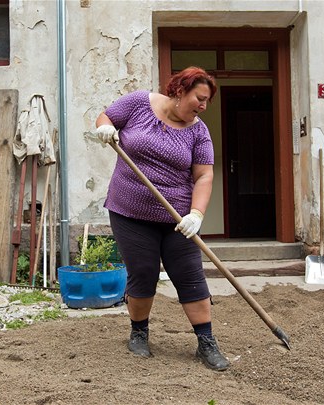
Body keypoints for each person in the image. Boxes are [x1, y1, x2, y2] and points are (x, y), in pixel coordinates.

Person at [95, 66, 230, 371]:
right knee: (143, 273)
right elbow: (106, 117)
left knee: (190, 274)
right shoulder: (139, 103)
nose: (203, 106)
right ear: (180, 90)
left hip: (176, 218)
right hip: (129, 212)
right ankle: (139, 333)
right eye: (200, 97)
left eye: (207, 101)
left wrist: (196, 214)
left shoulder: (199, 131)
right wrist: (105, 128)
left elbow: (205, 175)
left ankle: (206, 342)